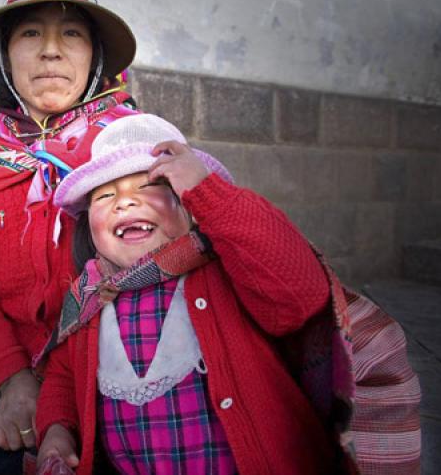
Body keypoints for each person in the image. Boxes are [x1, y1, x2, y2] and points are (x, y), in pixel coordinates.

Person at [33, 113, 353, 474]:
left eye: (148, 186)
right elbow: (64, 376)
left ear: (189, 204)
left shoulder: (228, 269)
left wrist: (209, 193)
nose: (123, 203)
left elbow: (299, 298)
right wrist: (56, 431)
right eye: (105, 196)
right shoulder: (89, 297)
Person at [0, 0, 139, 474]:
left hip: (109, 356)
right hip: (5, 356)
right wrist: (12, 376)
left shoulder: (130, 144)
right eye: (30, 33)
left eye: (71, 34)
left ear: (95, 55)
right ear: (5, 54)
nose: (50, 51)